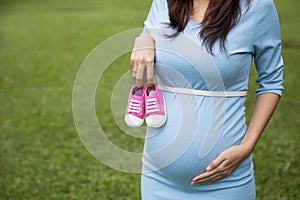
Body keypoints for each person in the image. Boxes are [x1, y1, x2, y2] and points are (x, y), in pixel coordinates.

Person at [129, 0, 284, 199]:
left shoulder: (257, 6)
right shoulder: (164, 2)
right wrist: (142, 41)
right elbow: (147, 35)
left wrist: (247, 146)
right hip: (157, 177)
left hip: (225, 182)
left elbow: (271, 82)